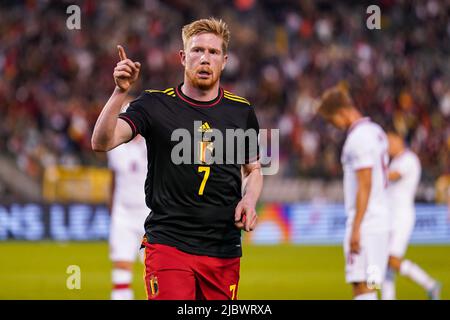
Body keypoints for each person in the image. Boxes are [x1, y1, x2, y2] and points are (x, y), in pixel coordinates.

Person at [91, 18, 263, 300]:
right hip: (169, 245)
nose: (205, 59)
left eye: (213, 52)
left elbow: (254, 169)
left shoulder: (241, 111)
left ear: (224, 60)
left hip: (223, 249)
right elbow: (101, 142)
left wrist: (249, 199)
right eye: (197, 51)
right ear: (183, 57)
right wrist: (119, 91)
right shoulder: (153, 104)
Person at [317, 84, 390, 300]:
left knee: (361, 286)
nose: (335, 126)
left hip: (366, 223)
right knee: (371, 283)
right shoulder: (377, 132)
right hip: (381, 220)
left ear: (341, 112)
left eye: (332, 120)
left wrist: (356, 227)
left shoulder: (357, 138)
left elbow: (364, 183)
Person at [381, 130, 441, 300]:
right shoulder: (394, 161)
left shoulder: (409, 159)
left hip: (402, 217)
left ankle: (429, 284)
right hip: (389, 218)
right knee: (384, 264)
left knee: (392, 259)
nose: (388, 146)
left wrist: (371, 168)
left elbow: (392, 176)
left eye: (390, 141)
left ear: (399, 140)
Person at [107, 128, 148, 300]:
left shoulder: (152, 143)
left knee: (159, 269)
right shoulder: (115, 147)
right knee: (121, 270)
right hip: (123, 215)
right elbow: (113, 179)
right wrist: (112, 208)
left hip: (150, 215)